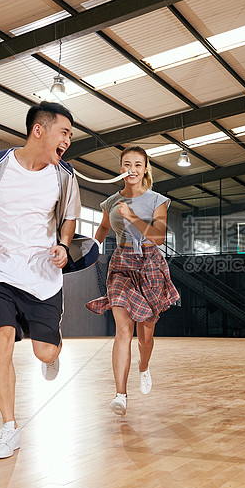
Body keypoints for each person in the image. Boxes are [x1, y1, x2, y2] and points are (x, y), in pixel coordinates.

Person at [0, 101, 81, 459]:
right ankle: (9, 427)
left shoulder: (65, 176)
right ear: (39, 130)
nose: (68, 140)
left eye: (70, 135)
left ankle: (52, 350)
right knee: (1, 341)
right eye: (64, 132)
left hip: (42, 279)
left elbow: (69, 220)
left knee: (44, 351)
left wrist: (64, 246)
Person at [86, 146, 179, 415]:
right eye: (127, 164)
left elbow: (159, 237)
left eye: (138, 164)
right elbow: (104, 227)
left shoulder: (157, 200)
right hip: (122, 264)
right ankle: (120, 395)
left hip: (150, 263)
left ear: (145, 168)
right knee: (123, 331)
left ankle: (144, 366)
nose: (132, 169)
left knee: (145, 336)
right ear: (121, 169)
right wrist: (93, 246)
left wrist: (134, 217)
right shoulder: (111, 202)